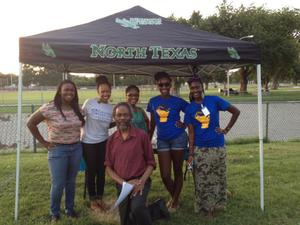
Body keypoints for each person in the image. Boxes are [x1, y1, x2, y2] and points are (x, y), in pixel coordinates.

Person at [27, 80, 84, 222]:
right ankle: (55, 212)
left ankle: (70, 209)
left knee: (71, 182)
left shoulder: (77, 108)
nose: (69, 92)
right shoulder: (49, 108)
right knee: (58, 184)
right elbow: (30, 123)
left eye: (72, 90)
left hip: (76, 148)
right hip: (58, 150)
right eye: (66, 90)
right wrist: (44, 142)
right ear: (60, 91)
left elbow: (84, 124)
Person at [184, 77, 240, 218]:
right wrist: (190, 154)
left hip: (217, 146)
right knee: (202, 179)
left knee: (218, 177)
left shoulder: (214, 100)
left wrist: (226, 130)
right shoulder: (190, 108)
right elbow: (190, 133)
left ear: (202, 87)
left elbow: (236, 111)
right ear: (190, 90)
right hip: (200, 149)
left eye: (197, 87)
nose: (195, 90)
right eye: (192, 88)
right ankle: (206, 207)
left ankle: (216, 205)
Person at [105, 102, 156, 225]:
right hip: (122, 184)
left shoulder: (142, 136)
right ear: (115, 118)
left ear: (131, 117)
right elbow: (108, 168)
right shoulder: (111, 140)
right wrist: (124, 183)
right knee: (126, 221)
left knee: (137, 208)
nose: (122, 118)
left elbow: (151, 163)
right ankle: (157, 209)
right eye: (119, 115)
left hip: (140, 181)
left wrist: (141, 182)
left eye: (126, 115)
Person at [147, 71, 188, 210]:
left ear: (170, 84)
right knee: (165, 175)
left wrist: (185, 124)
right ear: (157, 85)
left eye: (166, 84)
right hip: (162, 140)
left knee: (177, 171)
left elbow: (193, 111)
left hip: (178, 138)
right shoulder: (153, 101)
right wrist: (148, 139)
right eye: (161, 84)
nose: (164, 86)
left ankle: (175, 201)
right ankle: (175, 197)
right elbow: (152, 123)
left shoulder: (177, 101)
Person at [81, 75, 114, 211]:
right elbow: (79, 117)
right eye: (103, 91)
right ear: (98, 91)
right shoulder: (89, 103)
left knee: (102, 171)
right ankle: (93, 200)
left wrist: (116, 123)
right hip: (88, 142)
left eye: (108, 91)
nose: (105, 94)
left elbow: (107, 125)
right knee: (91, 171)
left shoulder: (111, 108)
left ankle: (100, 198)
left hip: (103, 142)